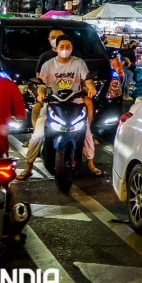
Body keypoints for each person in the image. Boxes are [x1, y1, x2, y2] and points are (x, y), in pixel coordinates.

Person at [18, 35, 100, 180]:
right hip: (53, 105)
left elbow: (88, 79)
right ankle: (28, 166)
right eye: (61, 47)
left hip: (75, 105)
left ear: (72, 48)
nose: (65, 50)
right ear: (55, 49)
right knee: (38, 134)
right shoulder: (48, 65)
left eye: (68, 47)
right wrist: (41, 94)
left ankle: (91, 164)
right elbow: (41, 86)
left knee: (86, 131)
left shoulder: (79, 63)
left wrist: (91, 88)